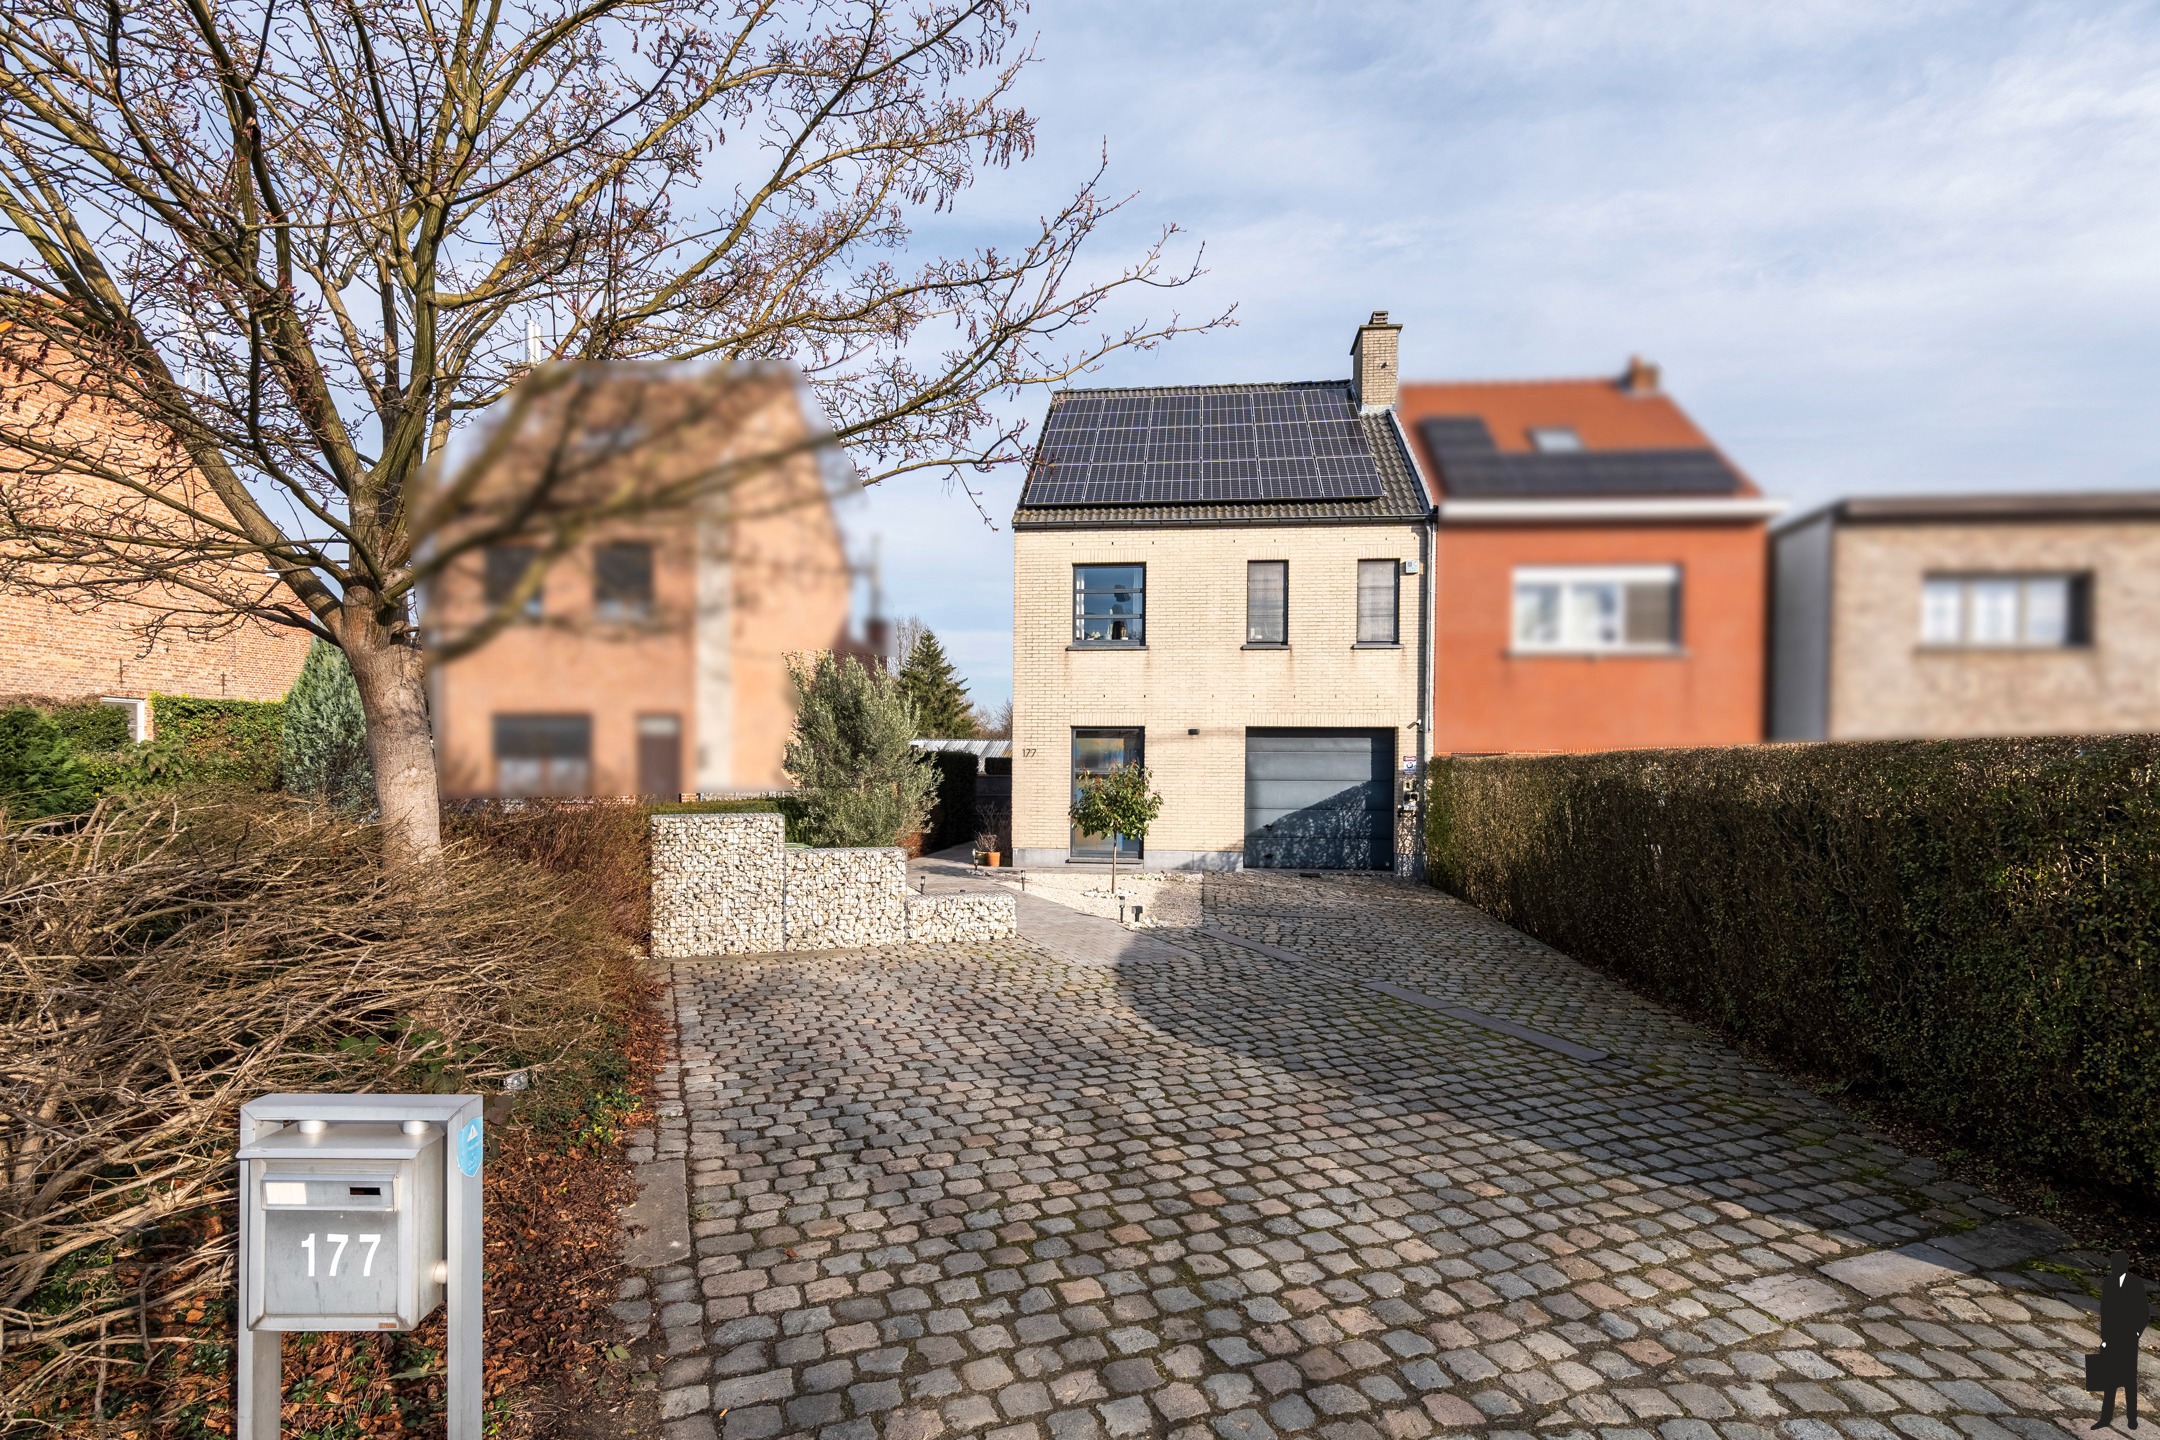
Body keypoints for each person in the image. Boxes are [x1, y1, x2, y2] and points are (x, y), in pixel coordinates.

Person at [2097, 1251, 2149, 1429]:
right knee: (2109, 1380)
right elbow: (2105, 1312)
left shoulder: (2135, 1284)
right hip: (2112, 1337)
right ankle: (2105, 1418)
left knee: (2129, 1381)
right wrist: (2104, 1338)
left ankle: (2131, 1419)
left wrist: (2136, 1333)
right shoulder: (2109, 1283)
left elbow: (2143, 1312)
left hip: (2128, 1339)